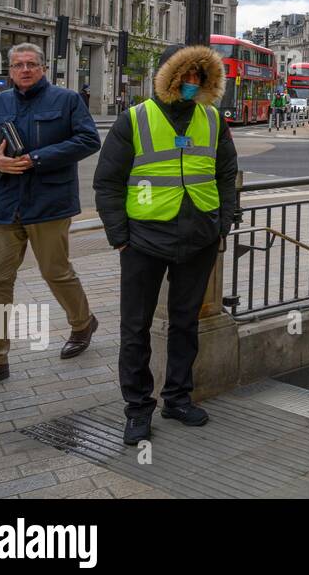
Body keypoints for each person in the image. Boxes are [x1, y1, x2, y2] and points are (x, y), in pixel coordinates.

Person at [93, 44, 239, 445]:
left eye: (199, 77)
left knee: (185, 323)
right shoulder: (135, 119)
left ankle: (177, 397)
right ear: (167, 78)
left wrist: (222, 224)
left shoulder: (212, 119)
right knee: (135, 328)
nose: (191, 84)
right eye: (184, 77)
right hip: (144, 240)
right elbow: (107, 182)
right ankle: (138, 409)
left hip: (199, 238)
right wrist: (120, 238)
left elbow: (227, 174)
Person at [0, 43, 102, 395]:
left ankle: (83, 324)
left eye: (31, 64)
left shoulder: (66, 100)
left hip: (49, 204)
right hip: (5, 205)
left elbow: (88, 139)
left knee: (56, 272)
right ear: (9, 70)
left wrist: (35, 158)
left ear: (43, 67)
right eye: (18, 65)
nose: (25, 69)